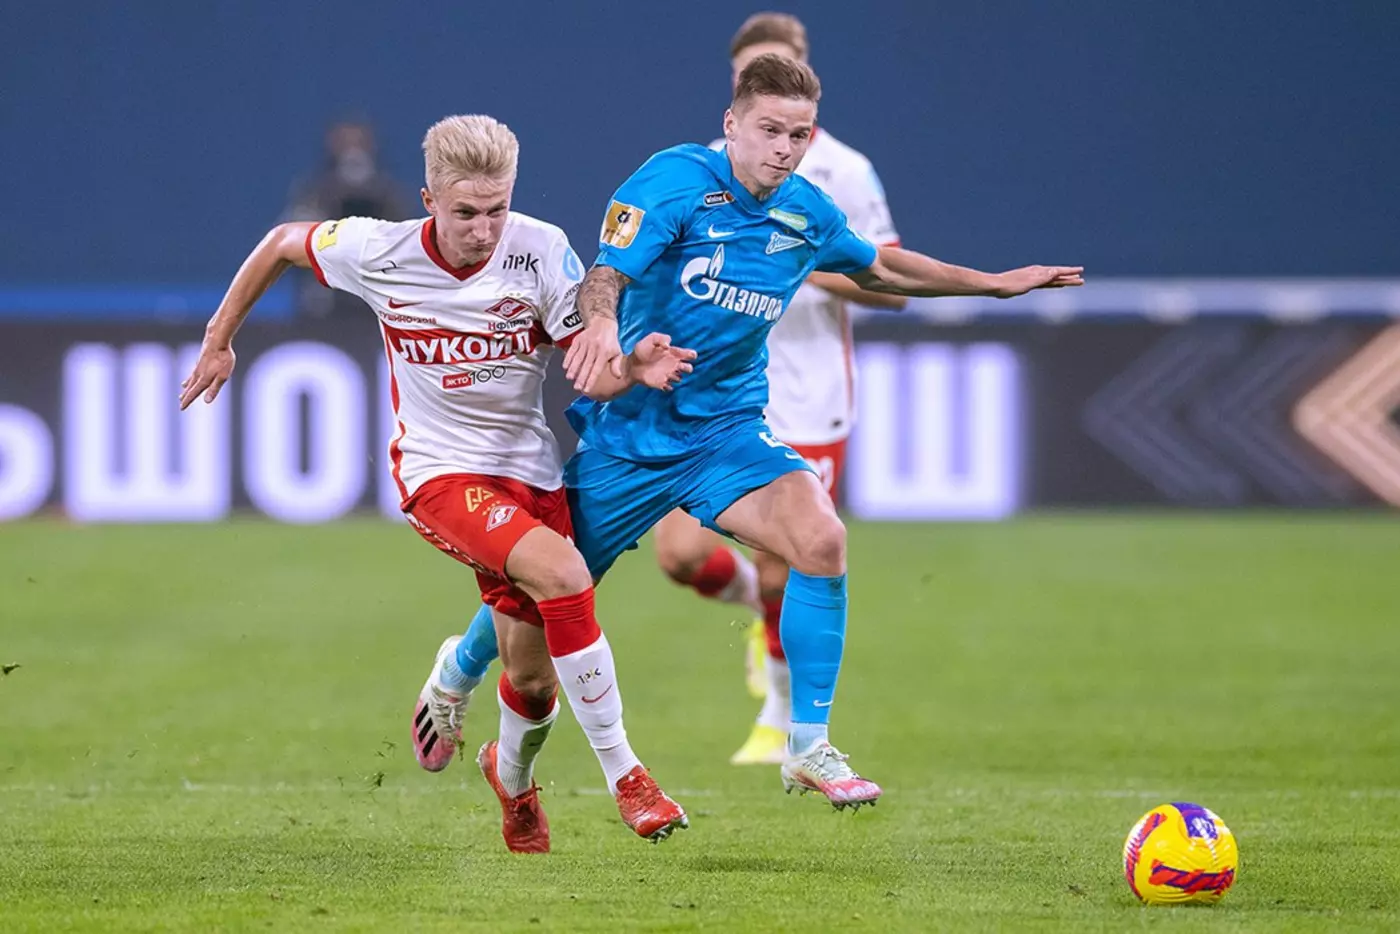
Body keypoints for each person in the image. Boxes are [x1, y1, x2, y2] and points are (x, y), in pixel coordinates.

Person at [435, 56, 1081, 811]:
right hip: (630, 439)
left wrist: (994, 283)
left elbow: (880, 270)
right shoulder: (674, 181)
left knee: (821, 540)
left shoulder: (807, 213)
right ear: (732, 124)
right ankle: (456, 670)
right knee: (532, 595)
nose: (783, 148)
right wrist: (603, 328)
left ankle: (807, 744)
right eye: (770, 130)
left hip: (727, 434)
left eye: (798, 135)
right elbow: (606, 274)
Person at [179, 114, 693, 853]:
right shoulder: (377, 249)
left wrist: (632, 369)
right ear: (428, 201)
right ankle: (628, 778)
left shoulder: (542, 250)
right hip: (439, 472)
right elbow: (282, 243)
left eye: (497, 210)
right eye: (465, 213)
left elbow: (592, 370)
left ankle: (507, 772)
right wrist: (218, 338)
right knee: (565, 574)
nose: (484, 230)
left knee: (535, 682)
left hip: (529, 473)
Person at [651, 11, 909, 767]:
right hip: (715, 390)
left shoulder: (844, 172)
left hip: (808, 389)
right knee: (680, 555)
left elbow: (891, 285)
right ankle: (760, 615)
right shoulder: (705, 170)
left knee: (784, 558)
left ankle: (779, 716)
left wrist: (796, 262)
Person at [282, 120, 415, 319]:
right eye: (345, 143)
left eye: (358, 143)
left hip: (378, 297)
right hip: (326, 298)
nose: (352, 152)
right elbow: (291, 239)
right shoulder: (315, 193)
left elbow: (407, 242)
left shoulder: (389, 195)